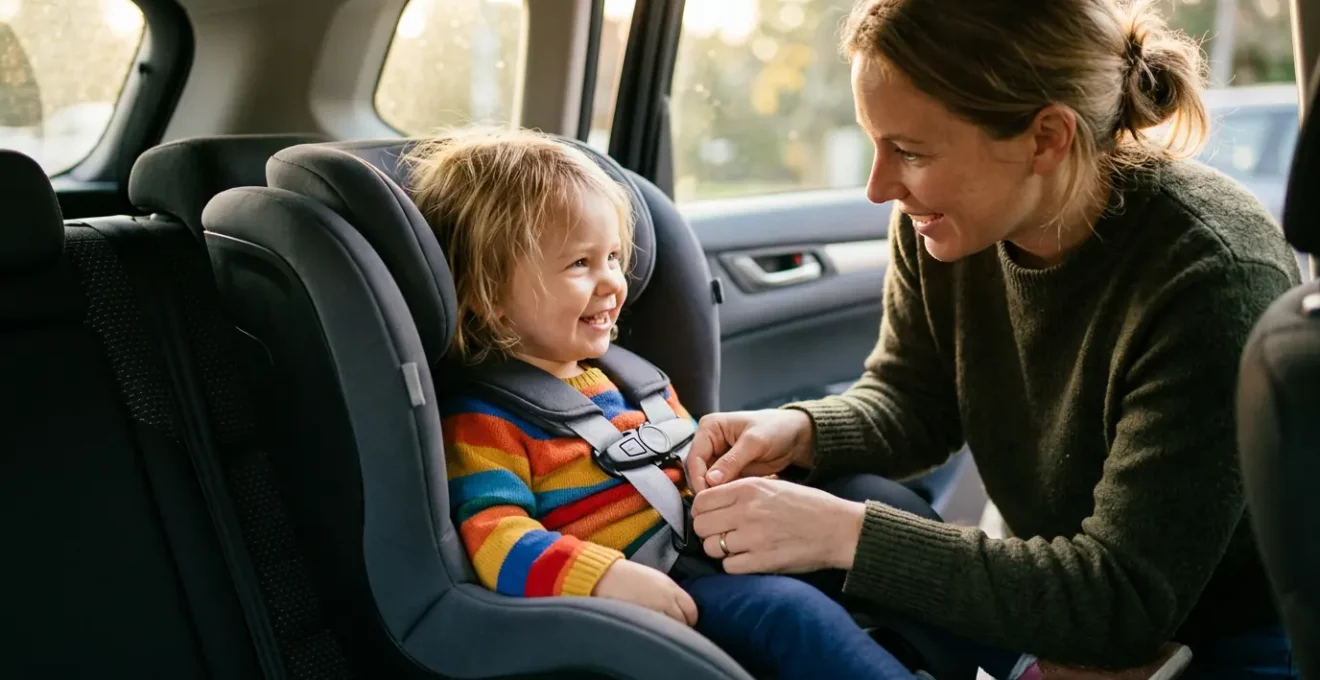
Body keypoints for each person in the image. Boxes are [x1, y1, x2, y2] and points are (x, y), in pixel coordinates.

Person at [684, 0, 1301, 678]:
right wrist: (800, 432)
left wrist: (842, 536)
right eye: (876, 144)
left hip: (1215, 635)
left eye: (910, 152)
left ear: (1045, 138)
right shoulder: (949, 224)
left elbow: (1123, 596)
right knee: (843, 486)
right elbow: (914, 400)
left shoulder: (1210, 275)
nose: (879, 186)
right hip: (1062, 596)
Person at [402, 127, 918, 680]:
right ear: (491, 297)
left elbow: (682, 477)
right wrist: (603, 578)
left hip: (721, 550)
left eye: (615, 258)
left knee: (881, 508)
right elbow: (496, 537)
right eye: (580, 264)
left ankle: (1003, 662)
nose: (611, 283)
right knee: (790, 614)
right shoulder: (484, 421)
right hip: (658, 593)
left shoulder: (633, 379)